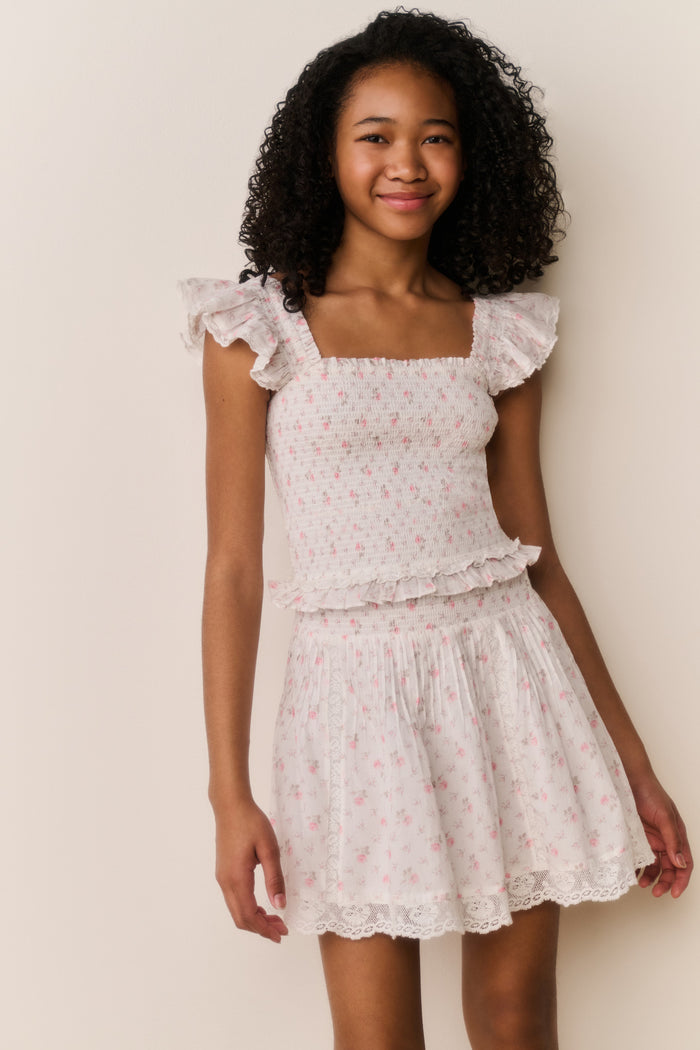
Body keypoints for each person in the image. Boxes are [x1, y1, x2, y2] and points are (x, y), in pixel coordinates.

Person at [177, 8, 692, 1049]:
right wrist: (229, 795)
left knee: (513, 1019)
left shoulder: (496, 329)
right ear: (324, 154)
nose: (405, 163)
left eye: (436, 136)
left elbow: (538, 560)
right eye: (374, 135)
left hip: (508, 682)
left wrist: (634, 768)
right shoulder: (259, 327)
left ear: (472, 154)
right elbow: (232, 569)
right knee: (377, 1041)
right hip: (352, 710)